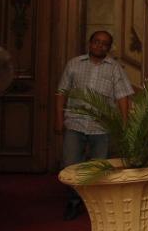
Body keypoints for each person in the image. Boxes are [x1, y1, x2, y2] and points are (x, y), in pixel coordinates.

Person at [55, 30, 133, 219]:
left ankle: (95, 206)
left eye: (105, 43)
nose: (100, 46)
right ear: (90, 43)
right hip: (75, 123)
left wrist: (123, 126)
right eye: (97, 42)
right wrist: (59, 119)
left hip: (101, 127)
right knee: (71, 165)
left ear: (109, 47)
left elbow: (123, 97)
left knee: (99, 169)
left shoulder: (114, 68)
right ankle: (74, 202)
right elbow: (61, 92)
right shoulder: (74, 64)